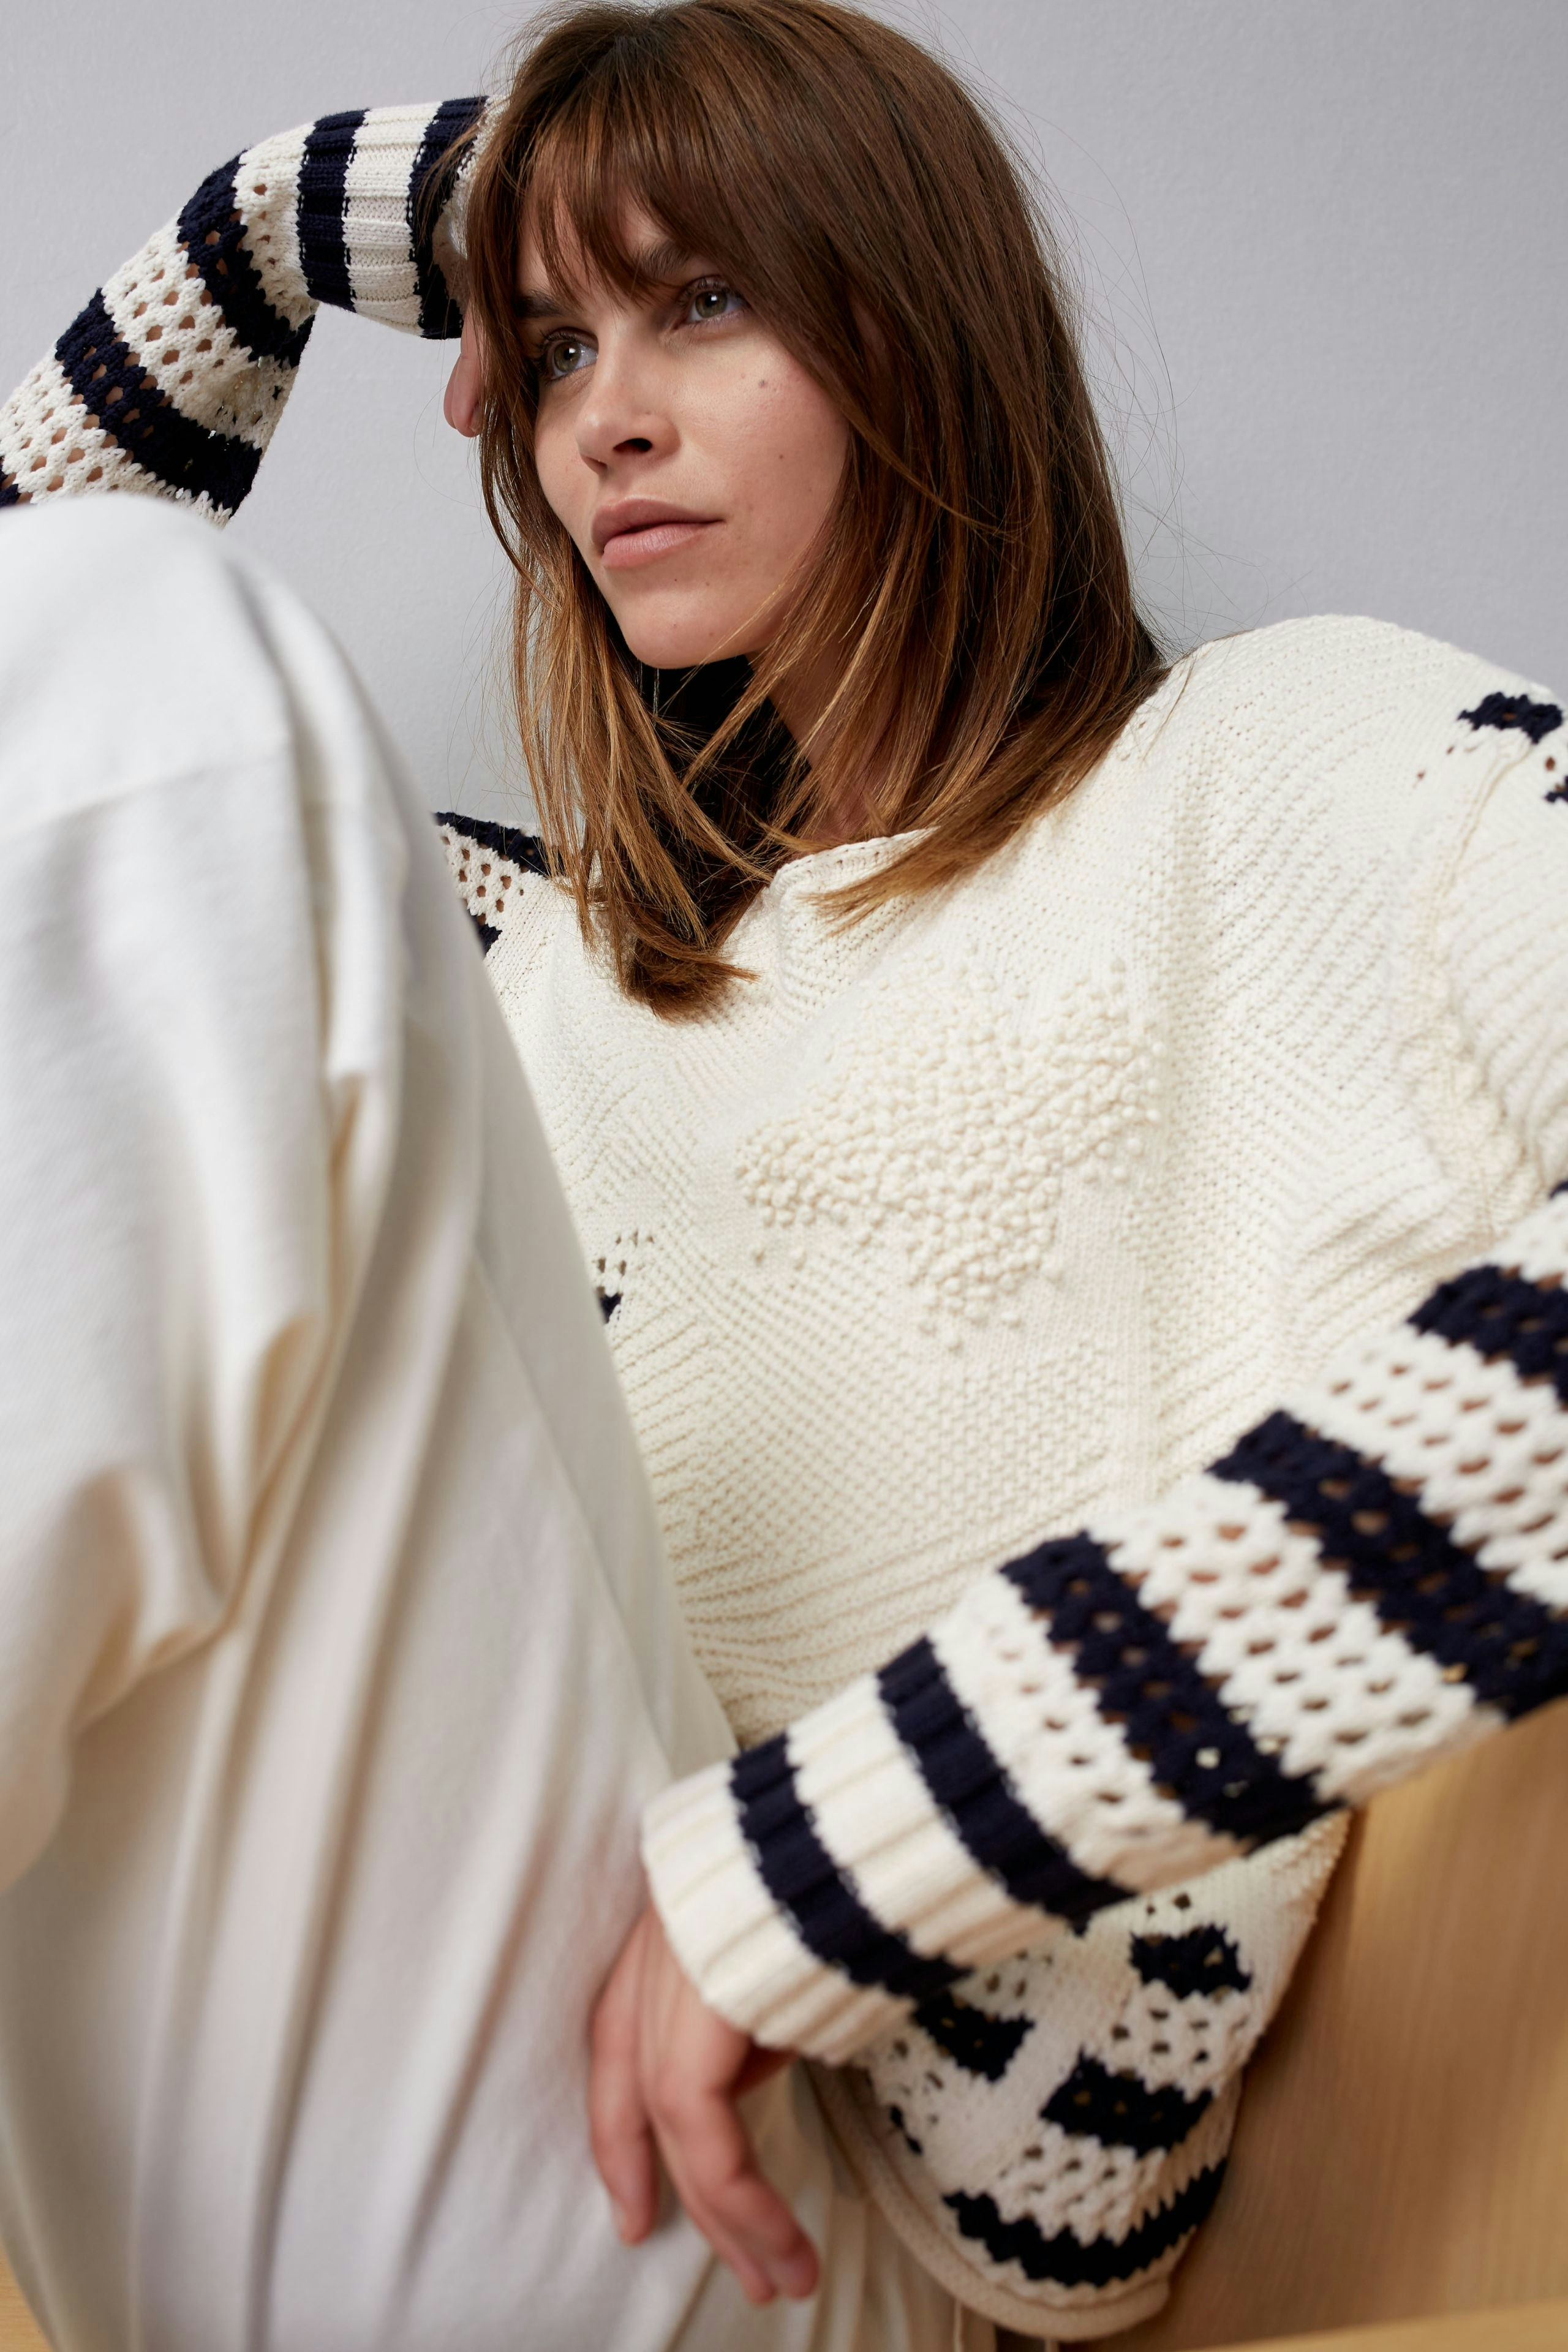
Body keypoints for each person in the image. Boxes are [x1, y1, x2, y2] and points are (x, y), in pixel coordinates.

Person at [1, 4, 1564, 2348]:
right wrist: (270, 235)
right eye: (554, 347)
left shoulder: (1295, 775)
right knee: (119, 677)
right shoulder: (556, 962)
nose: (602, 418)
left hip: (829, 2239)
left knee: (154, 651)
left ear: (913, 322)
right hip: (413, 2089)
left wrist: (858, 1849)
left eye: (706, 301)